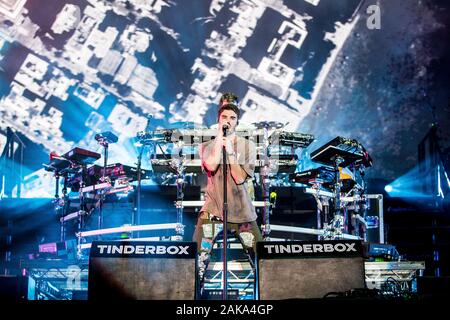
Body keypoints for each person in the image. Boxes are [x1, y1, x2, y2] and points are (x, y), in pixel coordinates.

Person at [192, 92, 263, 290]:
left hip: (243, 214)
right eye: (225, 117)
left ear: (237, 122)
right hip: (213, 212)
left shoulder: (248, 146)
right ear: (218, 119)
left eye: (232, 118)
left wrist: (231, 151)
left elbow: (239, 177)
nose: (228, 121)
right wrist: (220, 142)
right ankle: (193, 297)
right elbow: (211, 166)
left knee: (262, 260)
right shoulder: (206, 145)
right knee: (196, 260)